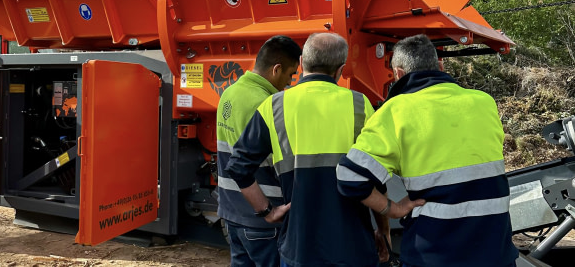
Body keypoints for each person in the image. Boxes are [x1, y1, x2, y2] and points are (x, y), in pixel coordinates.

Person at [225, 32, 419, 266]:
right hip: (353, 247)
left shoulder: (273, 107)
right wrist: (383, 230)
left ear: (302, 63)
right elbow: (375, 179)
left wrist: (267, 211)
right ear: (340, 69)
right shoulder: (360, 105)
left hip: (299, 248)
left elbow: (237, 167)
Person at [337, 34, 518, 267]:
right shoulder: (484, 102)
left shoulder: (395, 111)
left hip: (434, 255)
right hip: (497, 252)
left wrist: (393, 209)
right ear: (440, 65)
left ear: (399, 74)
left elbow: (349, 177)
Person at [217, 35, 302, 267]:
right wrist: (266, 210)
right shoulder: (267, 103)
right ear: (276, 69)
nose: (289, 82)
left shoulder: (229, 93)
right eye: (290, 74)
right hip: (262, 217)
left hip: (232, 212)